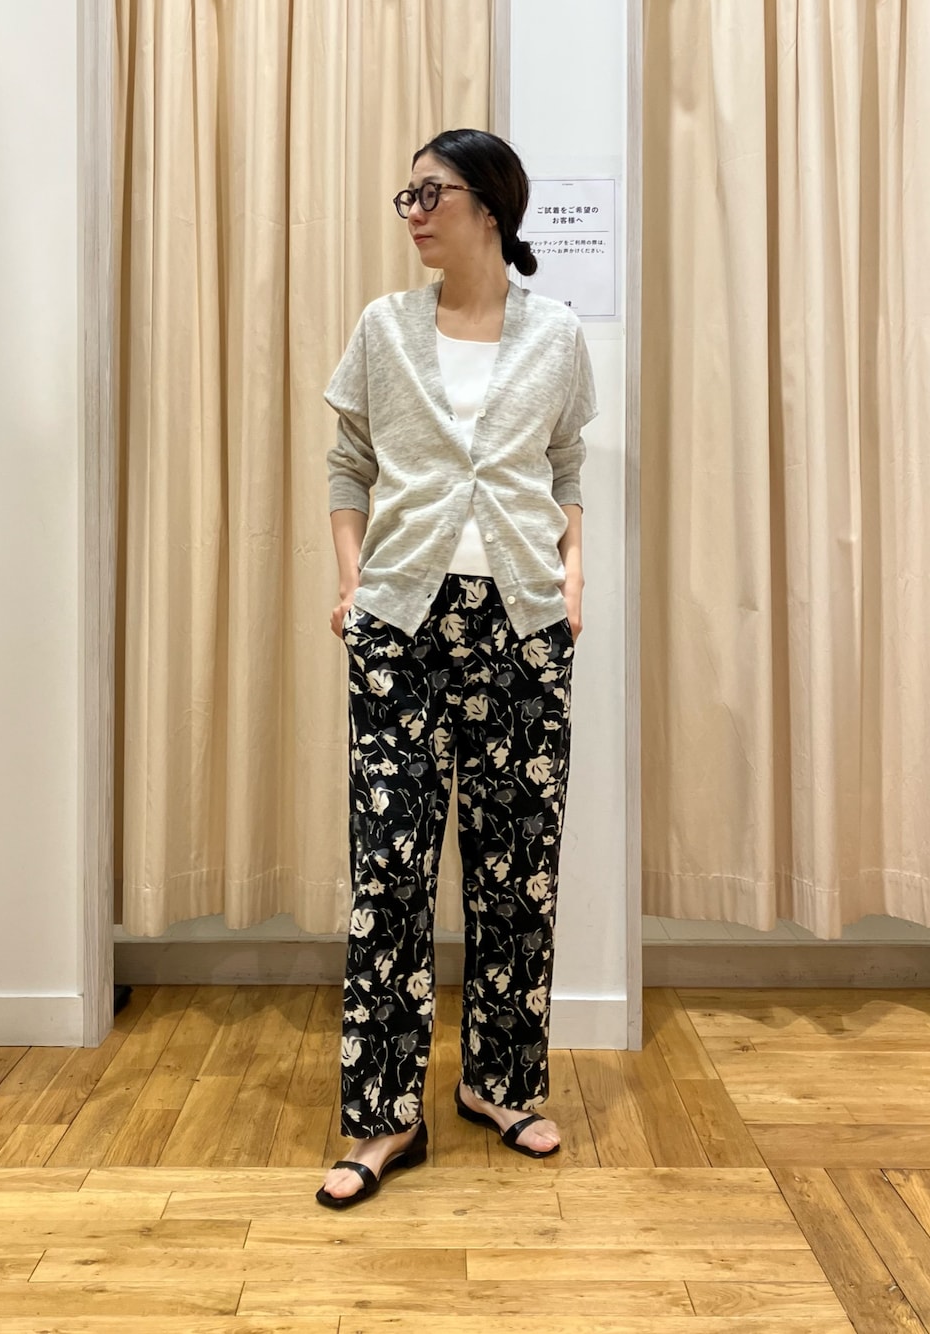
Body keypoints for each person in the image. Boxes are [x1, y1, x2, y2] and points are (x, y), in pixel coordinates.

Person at [316, 129, 596, 1209]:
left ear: (489, 206)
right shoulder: (384, 328)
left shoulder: (556, 333)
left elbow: (566, 465)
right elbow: (348, 465)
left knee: (517, 863)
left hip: (522, 619)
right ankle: (382, 1113)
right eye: (408, 196)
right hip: (401, 621)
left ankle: (499, 1081)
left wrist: (574, 578)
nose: (414, 213)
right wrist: (353, 582)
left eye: (430, 194)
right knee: (388, 869)